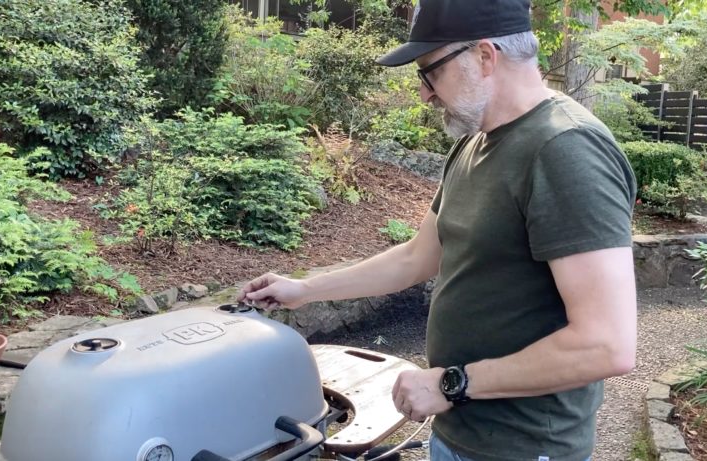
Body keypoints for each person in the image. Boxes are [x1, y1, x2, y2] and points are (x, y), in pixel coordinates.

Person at [238, 0, 637, 460]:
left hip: (522, 447)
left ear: (485, 57)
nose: (425, 93)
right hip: (458, 431)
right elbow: (418, 257)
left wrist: (452, 383)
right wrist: (305, 289)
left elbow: (606, 345)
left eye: (430, 71)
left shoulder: (566, 151)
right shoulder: (474, 141)